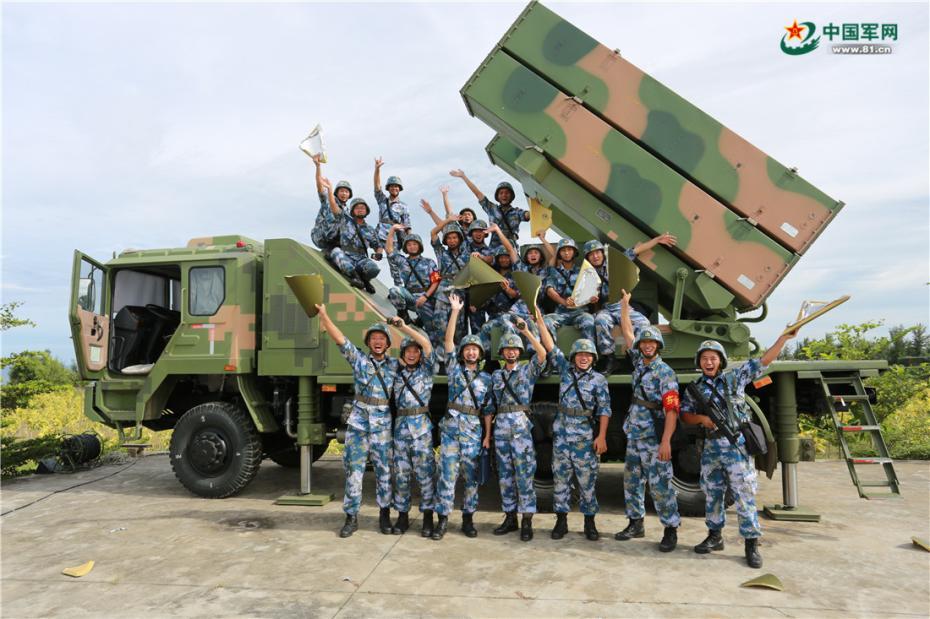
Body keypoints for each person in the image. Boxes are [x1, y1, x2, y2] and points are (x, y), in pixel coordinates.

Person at [680, 329, 798, 568]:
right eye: (704, 359)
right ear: (699, 363)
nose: (708, 362)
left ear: (720, 361)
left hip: (736, 448)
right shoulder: (695, 388)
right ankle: (714, 536)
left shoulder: (735, 378)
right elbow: (685, 415)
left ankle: (751, 544)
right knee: (712, 495)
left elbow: (763, 361)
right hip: (712, 447)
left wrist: (783, 339)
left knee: (744, 496)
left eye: (713, 358)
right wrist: (702, 420)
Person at [315, 306, 409, 538]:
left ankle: (384, 515)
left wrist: (401, 327)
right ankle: (351, 517)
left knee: (385, 471)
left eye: (382, 339)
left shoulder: (395, 365)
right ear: (368, 342)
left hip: (382, 425)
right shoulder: (358, 360)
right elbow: (340, 339)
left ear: (388, 344)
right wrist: (325, 316)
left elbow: (420, 351)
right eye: (374, 338)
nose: (377, 342)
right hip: (358, 425)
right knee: (353, 471)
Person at [614, 290, 681, 553]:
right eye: (645, 343)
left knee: (661, 484)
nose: (647, 345)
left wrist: (666, 441)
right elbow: (629, 332)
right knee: (632, 480)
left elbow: (672, 410)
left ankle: (670, 528)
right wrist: (624, 307)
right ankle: (635, 523)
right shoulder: (639, 364)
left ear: (658, 346)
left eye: (652, 343)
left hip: (654, 437)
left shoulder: (666, 373)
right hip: (635, 434)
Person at [535, 315, 610, 541]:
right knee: (561, 481)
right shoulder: (565, 372)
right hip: (562, 437)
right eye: (580, 354)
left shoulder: (599, 380)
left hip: (585, 438)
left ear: (593, 358)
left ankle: (590, 522)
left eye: (588, 355)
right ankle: (561, 521)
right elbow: (550, 346)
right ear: (574, 357)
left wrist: (602, 437)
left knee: (587, 481)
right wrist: (539, 322)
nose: (584, 358)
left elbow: (605, 410)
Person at [432, 294, 494, 540]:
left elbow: (488, 411)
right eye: (467, 349)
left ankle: (468, 519)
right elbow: (448, 341)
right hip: (450, 433)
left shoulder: (487, 379)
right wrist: (455, 311)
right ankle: (443, 520)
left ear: (479, 354)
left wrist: (487, 436)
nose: (471, 353)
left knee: (471, 480)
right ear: (463, 353)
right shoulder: (454, 371)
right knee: (446, 477)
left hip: (472, 434)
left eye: (474, 350)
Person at [488, 313, 547, 542]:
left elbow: (542, 354)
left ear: (519, 352)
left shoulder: (527, 371)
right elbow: (490, 406)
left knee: (524, 474)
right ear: (502, 353)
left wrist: (526, 332)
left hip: (521, 427)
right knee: (505, 475)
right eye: (507, 349)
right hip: (501, 427)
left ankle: (527, 520)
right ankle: (510, 517)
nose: (511, 352)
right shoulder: (495, 376)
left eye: (514, 349)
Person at [586, 234, 677, 373]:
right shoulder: (587, 274)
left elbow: (636, 250)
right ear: (588, 258)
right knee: (600, 321)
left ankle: (635, 356)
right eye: (591, 254)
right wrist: (593, 299)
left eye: (597, 252)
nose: (595, 256)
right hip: (606, 308)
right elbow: (584, 297)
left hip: (622, 304)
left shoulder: (615, 264)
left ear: (602, 253)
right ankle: (610, 359)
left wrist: (657, 240)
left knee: (643, 324)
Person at [388, 320, 437, 538]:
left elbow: (427, 345)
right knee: (401, 475)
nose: (412, 354)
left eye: (415, 351)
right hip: (401, 430)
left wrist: (403, 327)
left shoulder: (426, 371)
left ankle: (427, 517)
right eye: (408, 351)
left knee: (426, 475)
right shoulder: (396, 375)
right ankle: (402, 516)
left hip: (421, 431)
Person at [478, 238, 538, 360]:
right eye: (501, 257)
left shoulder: (517, 274)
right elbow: (486, 298)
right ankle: (488, 359)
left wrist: (507, 289)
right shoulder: (492, 275)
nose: (504, 259)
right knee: (484, 329)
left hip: (515, 314)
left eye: (506, 257)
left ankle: (522, 356)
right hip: (496, 315)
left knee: (510, 325)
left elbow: (517, 295)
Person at [325, 180, 383, 294]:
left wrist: (379, 253)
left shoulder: (370, 230)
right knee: (336, 252)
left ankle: (365, 280)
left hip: (361, 258)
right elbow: (333, 207)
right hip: (346, 254)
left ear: (366, 211)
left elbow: (378, 246)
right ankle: (356, 278)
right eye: (357, 207)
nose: (360, 209)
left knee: (374, 269)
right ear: (352, 210)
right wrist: (330, 190)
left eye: (363, 207)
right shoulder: (345, 220)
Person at [449, 169, 528, 250]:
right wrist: (463, 177)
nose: (504, 195)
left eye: (507, 193)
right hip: (495, 250)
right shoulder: (492, 209)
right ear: (497, 196)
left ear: (511, 196)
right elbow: (478, 193)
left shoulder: (517, 212)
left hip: (511, 249)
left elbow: (528, 215)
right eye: (501, 193)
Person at [385, 224, 440, 337]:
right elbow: (389, 250)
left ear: (419, 246)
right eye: (409, 244)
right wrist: (392, 231)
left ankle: (420, 320)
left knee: (432, 329)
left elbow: (436, 281)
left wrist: (425, 297)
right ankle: (403, 314)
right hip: (409, 296)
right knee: (394, 290)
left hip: (426, 299)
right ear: (406, 247)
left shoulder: (429, 262)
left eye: (415, 244)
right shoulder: (403, 261)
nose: (412, 246)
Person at [542, 239, 595, 343]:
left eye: (569, 250)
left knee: (589, 321)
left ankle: (587, 353)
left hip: (580, 312)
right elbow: (549, 290)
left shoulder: (583, 271)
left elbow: (590, 291)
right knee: (545, 322)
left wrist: (590, 298)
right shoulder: (554, 271)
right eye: (563, 250)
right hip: (561, 313)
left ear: (574, 252)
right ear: (559, 254)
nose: (566, 253)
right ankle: (552, 354)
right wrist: (564, 302)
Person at [309, 154, 351, 254]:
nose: (344, 193)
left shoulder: (348, 211)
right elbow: (320, 186)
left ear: (349, 195)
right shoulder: (328, 199)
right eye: (341, 191)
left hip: (335, 242)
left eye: (346, 192)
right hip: (321, 235)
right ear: (337, 193)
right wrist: (318, 166)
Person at [373, 157, 411, 246]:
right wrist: (377, 169)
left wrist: (411, 240)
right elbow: (377, 186)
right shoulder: (382, 200)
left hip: (396, 238)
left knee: (396, 258)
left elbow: (407, 225)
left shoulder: (403, 206)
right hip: (381, 236)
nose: (394, 188)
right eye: (392, 186)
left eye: (396, 186)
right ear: (388, 188)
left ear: (399, 189)